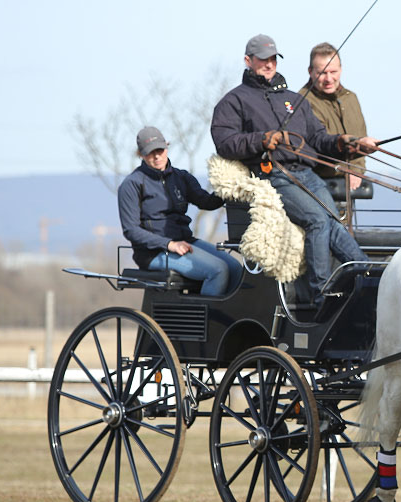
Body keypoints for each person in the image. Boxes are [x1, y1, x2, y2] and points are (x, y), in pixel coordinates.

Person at [210, 34, 377, 310]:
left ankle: (368, 276)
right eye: (263, 59)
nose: (269, 64)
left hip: (307, 173)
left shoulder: (293, 100)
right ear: (248, 61)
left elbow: (319, 137)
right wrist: (262, 139)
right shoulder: (234, 101)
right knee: (318, 221)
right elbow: (225, 143)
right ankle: (320, 294)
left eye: (273, 59)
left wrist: (347, 143)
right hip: (274, 174)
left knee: (334, 222)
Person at [118, 126, 243, 296]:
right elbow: (131, 230)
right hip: (153, 252)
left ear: (166, 147)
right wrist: (169, 244)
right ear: (140, 154)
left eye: (160, 150)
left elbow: (207, 202)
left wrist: (230, 187)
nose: (156, 156)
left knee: (235, 268)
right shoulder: (132, 184)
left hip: (185, 242)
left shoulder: (181, 177)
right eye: (149, 152)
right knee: (218, 270)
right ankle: (203, 321)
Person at [300, 42, 367, 192]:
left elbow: (361, 140)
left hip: (351, 189)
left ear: (341, 70)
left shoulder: (351, 99)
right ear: (310, 71)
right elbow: (316, 146)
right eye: (322, 73)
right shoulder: (302, 102)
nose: (329, 79)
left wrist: (356, 170)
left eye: (333, 72)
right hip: (318, 187)